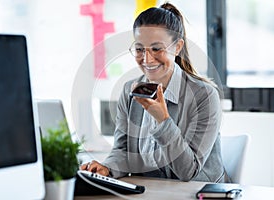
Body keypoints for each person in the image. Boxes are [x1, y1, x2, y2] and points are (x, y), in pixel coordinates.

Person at [81, 3, 230, 183]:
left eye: (157, 48)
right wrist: (108, 167)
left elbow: (188, 172)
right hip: (152, 192)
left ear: (177, 47)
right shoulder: (130, 91)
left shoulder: (204, 96)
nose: (147, 59)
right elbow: (122, 152)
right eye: (139, 49)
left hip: (197, 192)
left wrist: (163, 121)